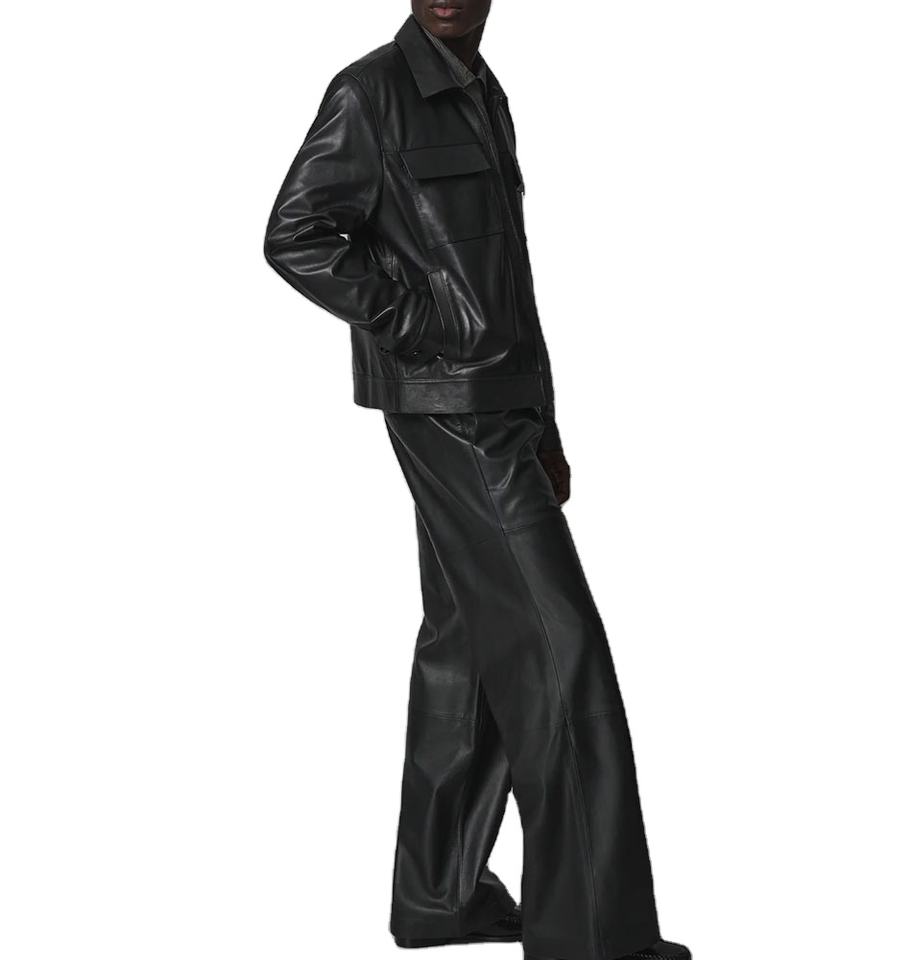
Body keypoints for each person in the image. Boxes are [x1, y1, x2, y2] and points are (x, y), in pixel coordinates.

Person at [264, 3, 690, 958]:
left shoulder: (481, 93)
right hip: (451, 406)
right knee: (560, 649)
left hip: (501, 405)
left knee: (468, 639)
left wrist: (545, 419)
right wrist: (423, 324)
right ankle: (593, 935)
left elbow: (510, 284)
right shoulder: (370, 92)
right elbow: (295, 234)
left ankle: (440, 896)